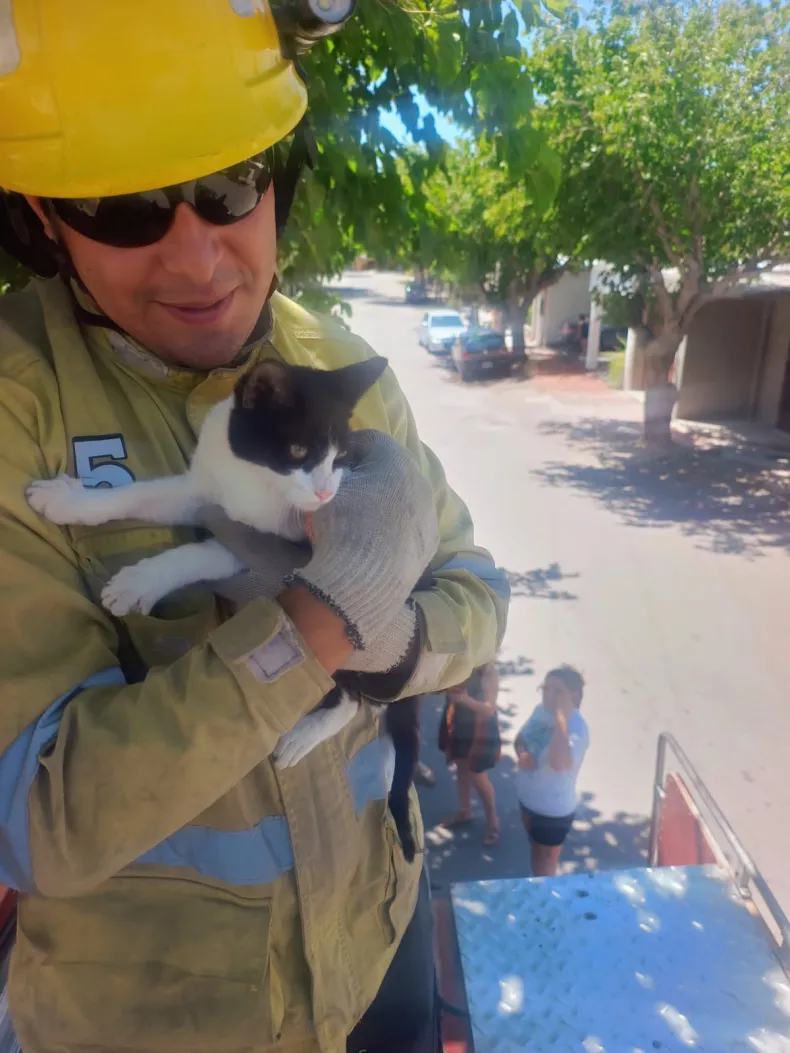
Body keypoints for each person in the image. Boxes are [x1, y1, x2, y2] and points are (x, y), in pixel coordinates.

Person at [0, 4, 510, 1052]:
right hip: (163, 1026)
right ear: (44, 217)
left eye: (231, 185)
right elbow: (39, 821)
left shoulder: (336, 362)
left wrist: (401, 645)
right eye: (124, 207)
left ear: (280, 178)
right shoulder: (17, 411)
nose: (198, 260)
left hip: (381, 946)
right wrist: (327, 617)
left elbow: (478, 594)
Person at [514, 666, 589, 877]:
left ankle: (543, 894)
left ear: (573, 695)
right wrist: (522, 753)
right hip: (528, 800)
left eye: (558, 691)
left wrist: (561, 719)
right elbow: (521, 738)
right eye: (546, 688)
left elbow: (559, 763)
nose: (548, 695)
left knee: (545, 864)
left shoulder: (577, 728)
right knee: (535, 850)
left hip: (553, 811)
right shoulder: (540, 711)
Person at [438, 663, 502, 846]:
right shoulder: (458, 663)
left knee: (478, 776)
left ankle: (493, 822)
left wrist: (464, 699)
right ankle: (464, 811)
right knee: (461, 768)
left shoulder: (488, 671)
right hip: (459, 725)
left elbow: (489, 709)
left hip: (480, 730)